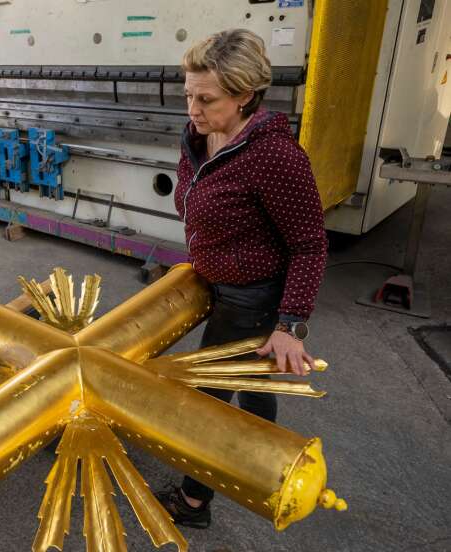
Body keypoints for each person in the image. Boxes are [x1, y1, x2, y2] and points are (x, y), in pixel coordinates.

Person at [155, 29, 328, 529]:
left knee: (209, 401)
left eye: (206, 99)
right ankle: (264, 471)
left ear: (246, 95)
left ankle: (192, 501)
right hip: (219, 283)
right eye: (188, 94)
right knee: (252, 386)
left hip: (252, 297)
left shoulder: (274, 157)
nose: (192, 108)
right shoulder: (198, 136)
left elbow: (310, 245)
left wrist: (289, 325)